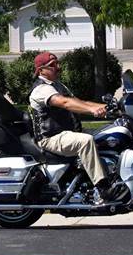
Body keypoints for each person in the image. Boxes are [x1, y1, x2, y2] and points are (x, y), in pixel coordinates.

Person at [28, 51, 118, 201]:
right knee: (85, 141)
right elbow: (65, 103)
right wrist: (92, 110)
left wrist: (110, 108)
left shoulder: (57, 85)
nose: (58, 67)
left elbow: (79, 102)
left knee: (108, 135)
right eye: (52, 65)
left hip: (65, 133)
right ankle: (103, 188)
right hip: (51, 137)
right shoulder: (41, 89)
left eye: (57, 63)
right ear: (41, 70)